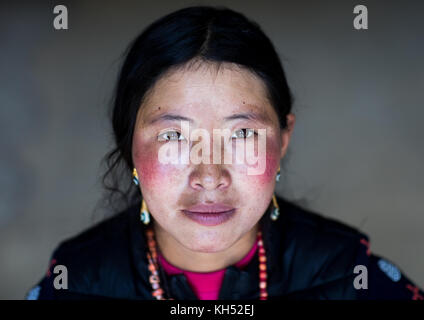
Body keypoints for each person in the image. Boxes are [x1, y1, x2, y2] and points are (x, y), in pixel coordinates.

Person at [26, 5, 423, 300]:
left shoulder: (345, 275)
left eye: (243, 134)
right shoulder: (76, 282)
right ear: (131, 146)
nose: (210, 175)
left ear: (283, 140)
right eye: (173, 138)